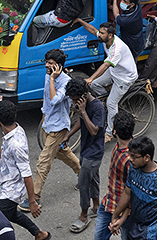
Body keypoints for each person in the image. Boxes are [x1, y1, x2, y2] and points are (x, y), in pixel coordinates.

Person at [0, 101, 51, 240]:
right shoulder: (15, 131)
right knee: (11, 214)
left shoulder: (16, 144)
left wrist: (32, 201)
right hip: (6, 185)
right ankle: (39, 234)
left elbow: (27, 175)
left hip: (12, 191)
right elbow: (5, 151)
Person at [19, 49, 81, 213]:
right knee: (63, 153)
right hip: (48, 124)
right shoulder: (48, 76)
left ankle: (35, 198)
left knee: (43, 162)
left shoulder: (65, 82)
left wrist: (53, 79)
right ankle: (83, 175)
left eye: (51, 64)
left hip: (59, 128)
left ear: (58, 66)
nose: (47, 65)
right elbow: (47, 98)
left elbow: (54, 99)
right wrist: (43, 116)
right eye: (47, 62)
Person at [74, 20, 138, 142]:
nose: (99, 35)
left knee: (111, 103)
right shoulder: (105, 38)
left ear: (110, 35)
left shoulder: (116, 49)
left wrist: (90, 77)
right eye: (100, 32)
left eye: (102, 33)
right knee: (95, 84)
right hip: (115, 71)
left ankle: (109, 133)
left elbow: (105, 66)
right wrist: (80, 21)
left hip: (124, 77)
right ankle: (107, 101)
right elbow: (93, 30)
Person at [110, 136, 157, 240]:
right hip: (133, 226)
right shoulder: (133, 168)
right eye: (129, 155)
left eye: (134, 156)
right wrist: (115, 216)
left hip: (151, 233)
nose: (130, 159)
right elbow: (127, 192)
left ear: (147, 157)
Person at [63, 77, 106, 234]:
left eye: (75, 99)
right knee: (93, 179)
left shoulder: (97, 108)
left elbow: (94, 130)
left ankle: (83, 215)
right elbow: (81, 121)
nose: (74, 102)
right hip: (85, 148)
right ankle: (96, 207)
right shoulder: (84, 105)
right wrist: (69, 135)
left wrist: (82, 111)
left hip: (94, 152)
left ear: (83, 95)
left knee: (83, 183)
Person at [94, 111, 135, 240]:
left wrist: (121, 218)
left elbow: (132, 192)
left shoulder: (131, 160)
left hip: (124, 210)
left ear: (115, 131)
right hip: (109, 202)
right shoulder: (119, 146)